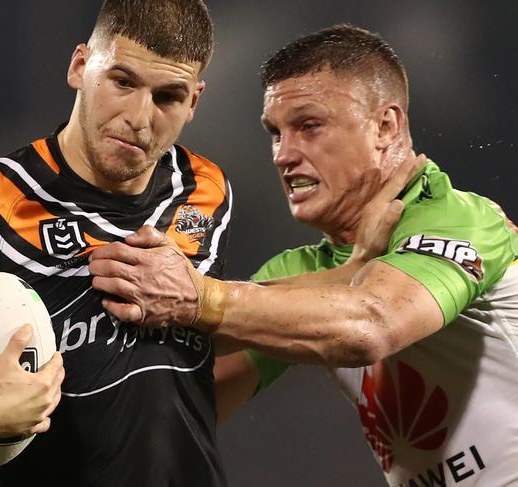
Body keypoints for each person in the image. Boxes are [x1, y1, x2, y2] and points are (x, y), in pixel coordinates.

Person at [88, 24, 518, 486]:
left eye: (310, 127)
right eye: (276, 132)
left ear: (385, 126)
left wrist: (198, 299)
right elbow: (187, 398)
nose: (283, 155)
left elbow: (371, 325)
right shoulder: (302, 270)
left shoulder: (458, 218)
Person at [0, 1, 234, 485]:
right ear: (80, 66)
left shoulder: (204, 190)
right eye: (122, 82)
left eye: (168, 96)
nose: (140, 118)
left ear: (193, 103)